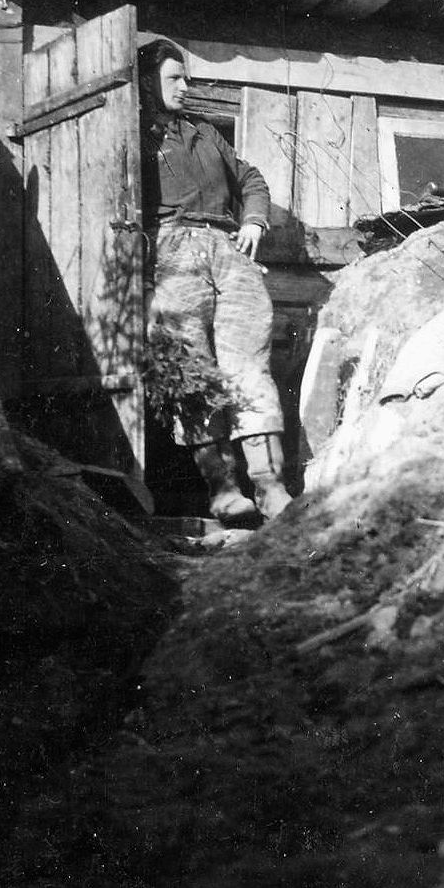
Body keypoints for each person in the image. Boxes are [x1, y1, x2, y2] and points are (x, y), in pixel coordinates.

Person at [138, 38, 290, 524]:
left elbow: (250, 179)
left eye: (186, 78)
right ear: (146, 82)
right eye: (173, 79)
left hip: (228, 248)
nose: (185, 87)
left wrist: (254, 220)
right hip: (171, 250)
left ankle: (269, 486)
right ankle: (223, 489)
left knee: (249, 362)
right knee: (191, 367)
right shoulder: (134, 133)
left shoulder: (204, 132)